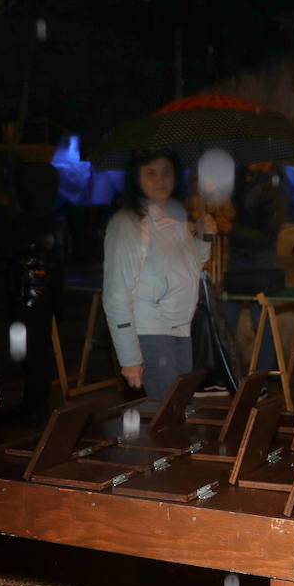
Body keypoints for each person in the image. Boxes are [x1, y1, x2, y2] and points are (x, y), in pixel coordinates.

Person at [103, 150, 215, 399]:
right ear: (136, 178)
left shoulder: (173, 219)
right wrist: (130, 358)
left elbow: (191, 268)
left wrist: (206, 236)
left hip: (181, 331)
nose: (160, 180)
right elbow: (115, 295)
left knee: (176, 411)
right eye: (150, 173)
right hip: (150, 332)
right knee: (167, 413)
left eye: (166, 172)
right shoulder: (127, 224)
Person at [1, 162, 67, 425]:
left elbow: (9, 254)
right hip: (42, 297)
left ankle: (34, 406)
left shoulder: (24, 221)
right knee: (37, 352)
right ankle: (35, 404)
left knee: (33, 353)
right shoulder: (50, 220)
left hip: (28, 298)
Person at [221, 160, 289, 372]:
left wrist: (233, 227)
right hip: (238, 259)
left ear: (268, 161)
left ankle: (262, 373)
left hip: (260, 262)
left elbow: (268, 235)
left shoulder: (276, 191)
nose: (250, 158)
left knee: (261, 320)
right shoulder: (244, 184)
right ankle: (223, 370)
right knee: (225, 318)